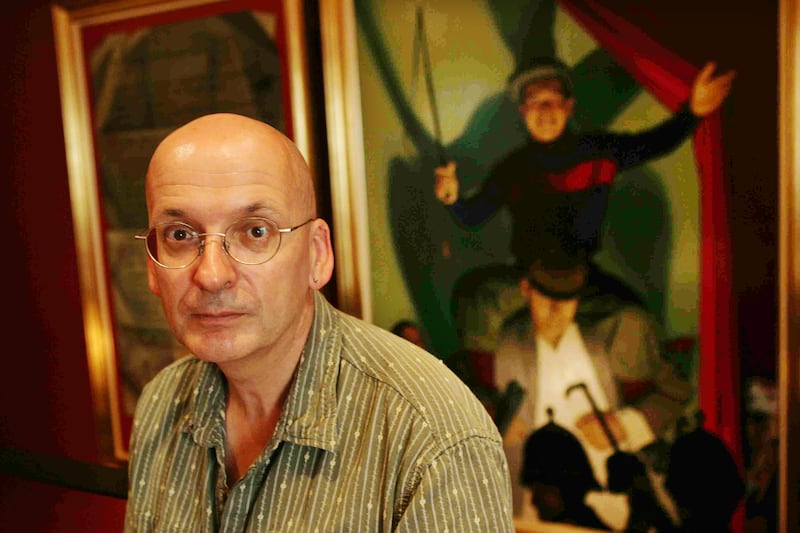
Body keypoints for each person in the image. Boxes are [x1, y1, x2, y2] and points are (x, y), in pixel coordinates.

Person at [124, 113, 515, 532]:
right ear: (152, 266)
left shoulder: (430, 438)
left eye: (255, 232)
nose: (212, 275)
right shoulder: (162, 403)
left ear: (317, 254)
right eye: (180, 235)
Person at [435, 57, 735, 353]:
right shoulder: (512, 168)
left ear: (568, 108)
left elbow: (655, 143)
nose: (544, 111)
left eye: (552, 101)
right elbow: (472, 216)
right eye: (534, 103)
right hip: (527, 281)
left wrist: (693, 112)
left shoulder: (599, 150)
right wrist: (452, 198)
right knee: (474, 303)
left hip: (585, 280)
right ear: (524, 112)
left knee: (639, 322)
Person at [494, 248, 692, 529]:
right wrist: (500, 424)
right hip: (536, 507)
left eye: (565, 301)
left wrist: (626, 425)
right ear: (526, 290)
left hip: (618, 499)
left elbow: (677, 392)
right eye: (545, 299)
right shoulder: (511, 339)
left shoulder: (616, 333)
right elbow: (494, 406)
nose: (555, 313)